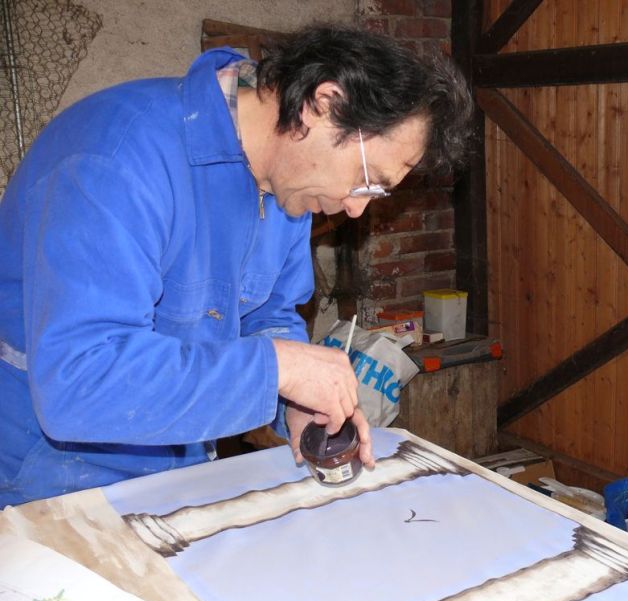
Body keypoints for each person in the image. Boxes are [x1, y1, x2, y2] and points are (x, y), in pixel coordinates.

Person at [0, 23, 473, 506]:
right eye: (367, 181)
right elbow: (80, 384)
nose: (356, 209)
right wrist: (278, 370)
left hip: (176, 467)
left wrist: (297, 400)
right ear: (323, 104)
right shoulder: (115, 160)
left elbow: (268, 315)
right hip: (46, 486)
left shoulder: (287, 183)